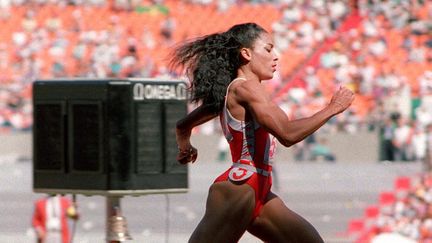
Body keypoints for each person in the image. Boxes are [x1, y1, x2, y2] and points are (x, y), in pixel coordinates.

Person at [171, 23, 354, 243]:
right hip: (242, 187)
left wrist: (185, 146)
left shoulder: (234, 91)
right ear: (246, 53)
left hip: (259, 190)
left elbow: (183, 126)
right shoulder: (246, 88)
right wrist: (333, 108)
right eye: (268, 49)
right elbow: (287, 134)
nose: (276, 56)